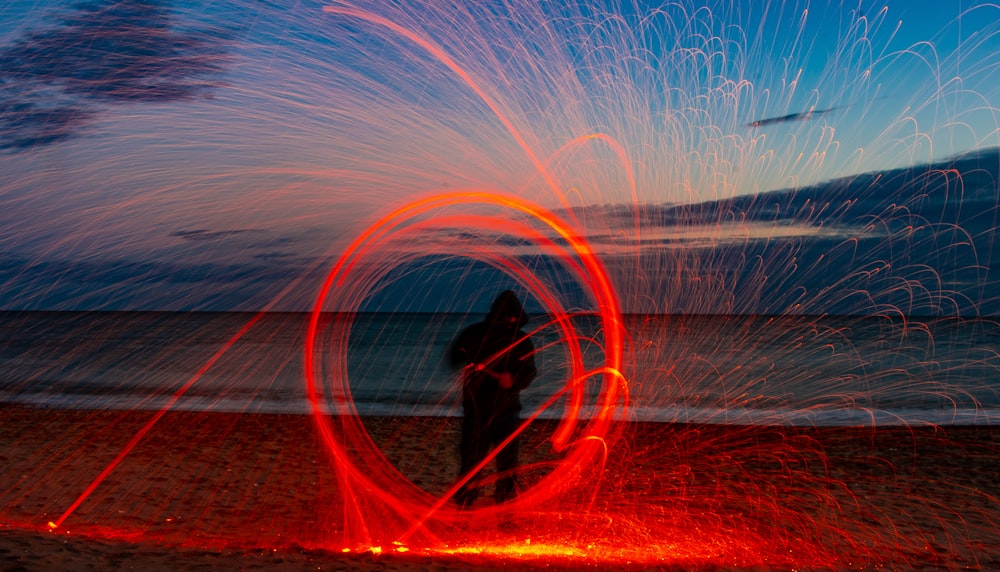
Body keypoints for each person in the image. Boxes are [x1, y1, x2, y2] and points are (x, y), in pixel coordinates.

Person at [448, 290, 537, 508]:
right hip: (478, 411)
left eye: (513, 316)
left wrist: (513, 380)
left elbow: (528, 373)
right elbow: (455, 356)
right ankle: (465, 509)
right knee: (472, 464)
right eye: (507, 316)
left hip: (504, 412)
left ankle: (503, 515)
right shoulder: (477, 334)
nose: (510, 320)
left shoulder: (521, 341)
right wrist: (467, 359)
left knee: (505, 467)